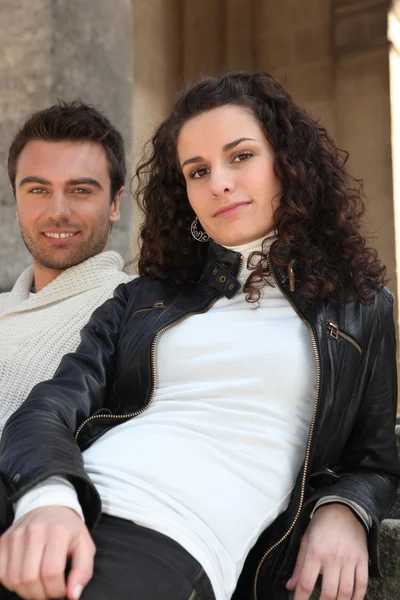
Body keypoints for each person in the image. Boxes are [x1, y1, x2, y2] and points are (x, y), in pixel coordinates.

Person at [0, 71, 398, 600]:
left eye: (241, 157)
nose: (219, 183)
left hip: (170, 534)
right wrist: (49, 495)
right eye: (197, 170)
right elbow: (48, 407)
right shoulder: (143, 299)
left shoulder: (357, 305)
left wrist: (345, 507)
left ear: (286, 164)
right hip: (53, 505)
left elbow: (374, 459)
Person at [0, 101, 132, 436]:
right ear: (16, 201)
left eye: (80, 190)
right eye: (39, 190)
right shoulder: (5, 306)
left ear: (115, 203)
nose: (58, 211)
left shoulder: (134, 314)